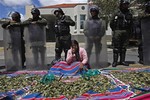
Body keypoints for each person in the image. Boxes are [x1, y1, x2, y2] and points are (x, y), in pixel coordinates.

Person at [110, 0, 133, 67]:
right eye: (124, 4)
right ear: (121, 5)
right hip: (118, 31)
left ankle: (122, 61)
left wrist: (130, 32)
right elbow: (111, 22)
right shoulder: (116, 12)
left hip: (126, 31)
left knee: (123, 47)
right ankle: (115, 62)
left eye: (127, 4)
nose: (125, 5)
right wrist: (114, 30)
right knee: (116, 47)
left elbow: (131, 23)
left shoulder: (129, 13)